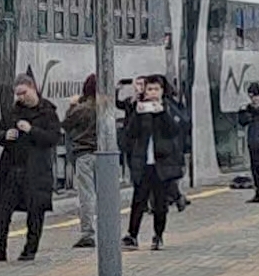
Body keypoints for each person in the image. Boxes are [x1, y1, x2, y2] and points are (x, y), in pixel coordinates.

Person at [0, 72, 61, 262]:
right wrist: (3, 135)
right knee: (0, 208)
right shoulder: (13, 112)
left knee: (35, 210)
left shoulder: (47, 112)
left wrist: (31, 130)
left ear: (33, 88)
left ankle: (30, 249)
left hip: (36, 171)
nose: (21, 98)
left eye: (23, 93)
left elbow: (53, 138)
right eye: (18, 94)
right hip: (11, 170)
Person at [119, 73, 188, 251]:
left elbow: (174, 130)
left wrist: (161, 112)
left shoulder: (168, 107)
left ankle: (158, 235)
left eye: (156, 89)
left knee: (160, 203)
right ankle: (132, 235)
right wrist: (139, 112)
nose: (152, 92)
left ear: (162, 90)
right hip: (143, 162)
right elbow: (130, 132)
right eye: (149, 89)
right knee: (138, 200)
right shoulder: (140, 108)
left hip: (162, 163)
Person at [63, 80, 109, 248]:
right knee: (106, 195)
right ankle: (108, 230)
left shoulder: (81, 109)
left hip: (84, 155)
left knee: (87, 195)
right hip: (105, 157)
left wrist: (71, 105)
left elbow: (66, 125)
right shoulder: (106, 109)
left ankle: (88, 233)